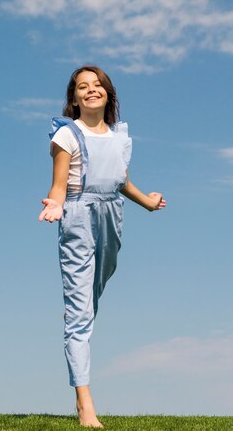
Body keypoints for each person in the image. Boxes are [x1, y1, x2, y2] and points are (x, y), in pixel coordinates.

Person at [39, 65, 166, 428]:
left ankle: (78, 310)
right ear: (74, 98)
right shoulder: (66, 136)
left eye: (97, 85)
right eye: (83, 87)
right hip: (78, 214)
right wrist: (55, 204)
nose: (91, 90)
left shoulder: (120, 137)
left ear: (108, 94)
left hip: (113, 214)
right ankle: (85, 403)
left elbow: (121, 179)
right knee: (80, 313)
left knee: (100, 282)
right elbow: (60, 184)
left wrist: (148, 201)